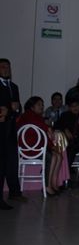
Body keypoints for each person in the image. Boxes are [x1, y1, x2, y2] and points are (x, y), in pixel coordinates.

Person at [16, 96, 63, 196]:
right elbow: (42, 130)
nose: (42, 106)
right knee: (53, 156)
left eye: (42, 104)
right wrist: (48, 128)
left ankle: (53, 183)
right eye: (39, 104)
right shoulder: (28, 115)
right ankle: (46, 186)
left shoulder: (38, 117)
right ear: (32, 107)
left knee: (58, 155)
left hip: (37, 148)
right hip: (28, 149)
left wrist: (51, 145)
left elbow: (43, 135)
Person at [0, 58, 26, 202]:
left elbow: (17, 107)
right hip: (1, 128)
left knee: (12, 161)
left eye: (8, 67)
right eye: (3, 67)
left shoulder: (14, 86)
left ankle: (14, 192)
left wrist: (14, 109)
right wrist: (10, 109)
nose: (6, 69)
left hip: (11, 128)